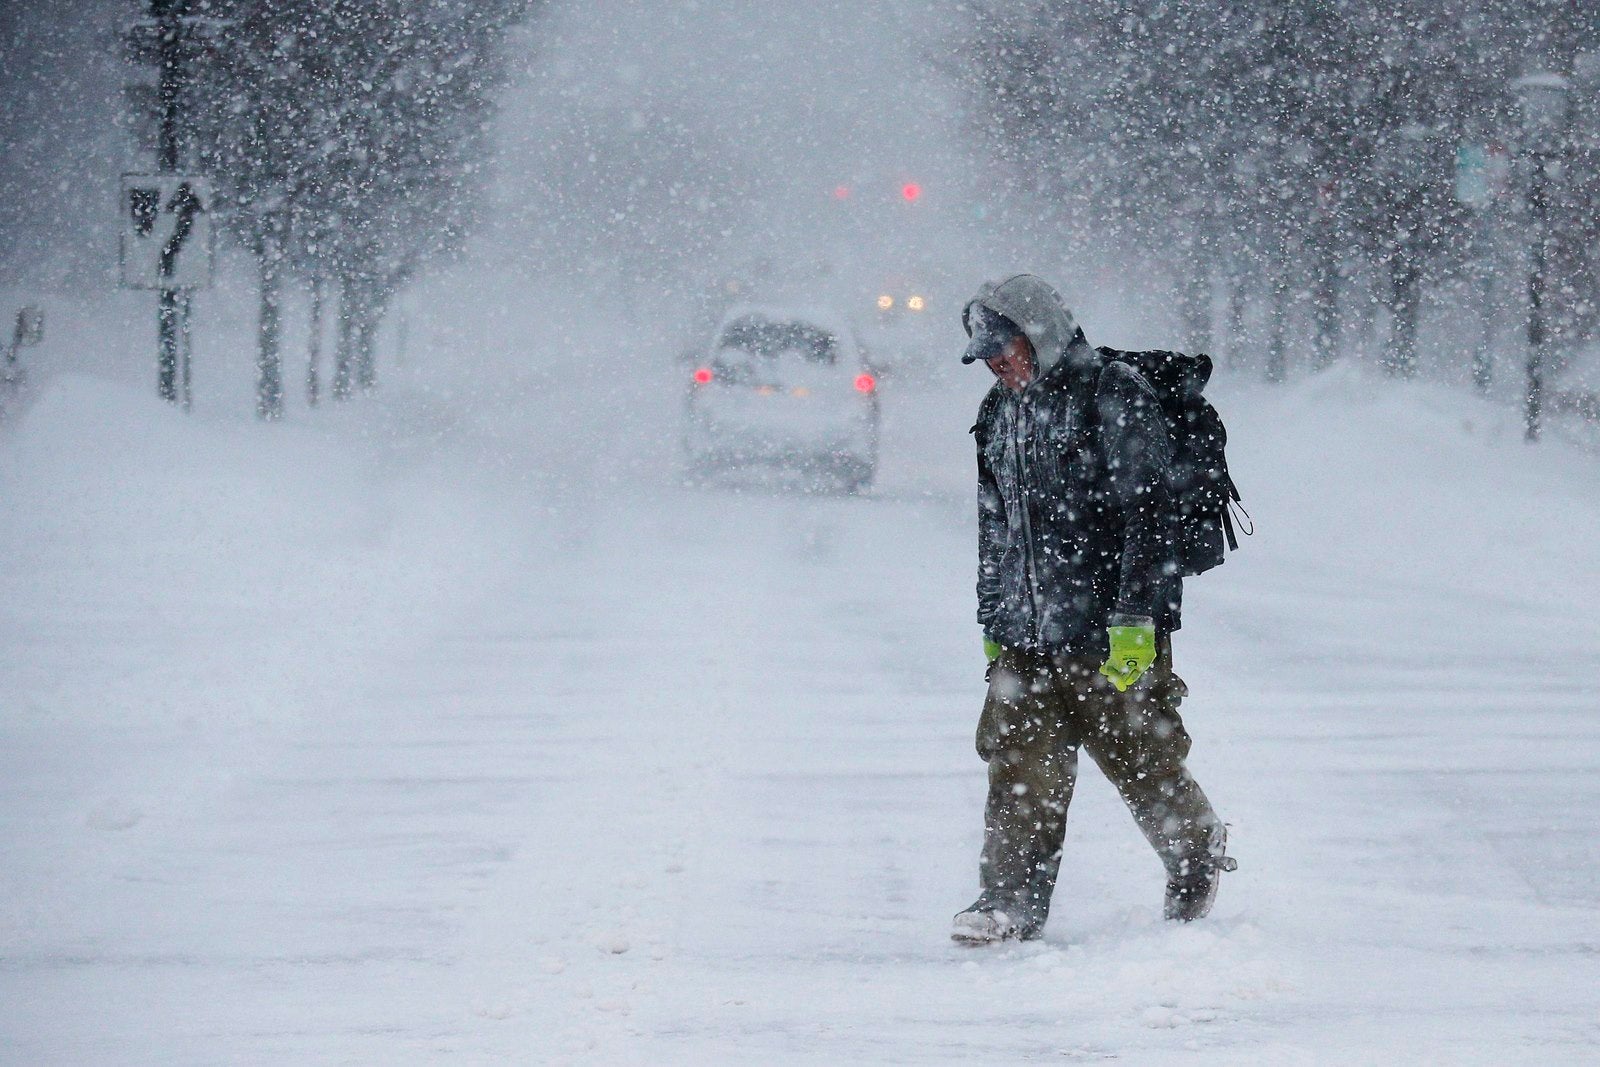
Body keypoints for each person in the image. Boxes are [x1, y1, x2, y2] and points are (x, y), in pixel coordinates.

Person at [952, 274, 1233, 944]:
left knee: (1141, 761)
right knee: (1020, 766)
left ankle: (1195, 851)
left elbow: (1150, 513)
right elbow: (996, 524)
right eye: (986, 351)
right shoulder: (999, 413)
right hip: (1026, 631)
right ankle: (1008, 900)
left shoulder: (1111, 393)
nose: (996, 361)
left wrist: (1136, 615)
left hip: (1107, 627)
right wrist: (994, 618)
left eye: (1005, 345)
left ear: (1039, 332)